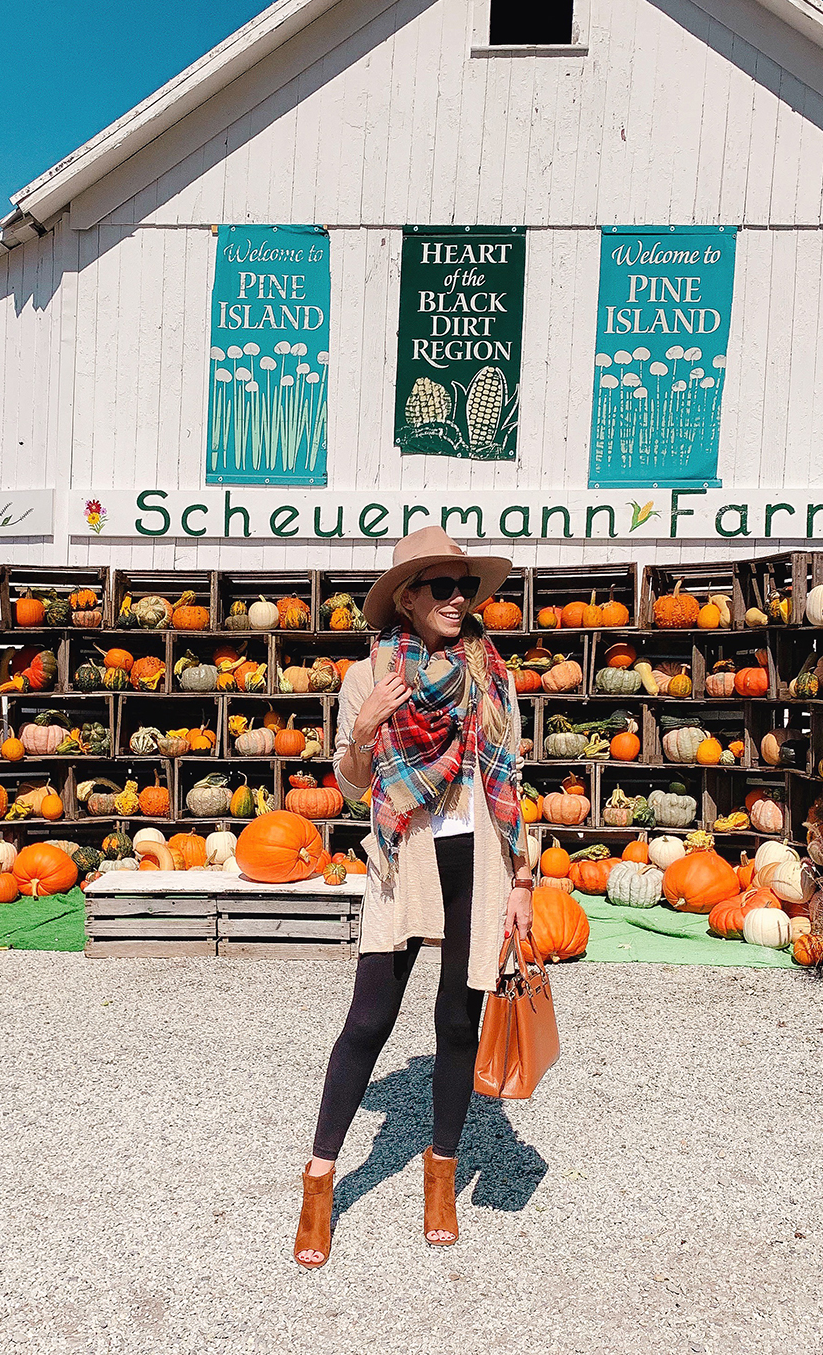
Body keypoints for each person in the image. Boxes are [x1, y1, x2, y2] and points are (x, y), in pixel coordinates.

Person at [293, 527, 534, 1268]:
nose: (458, 597)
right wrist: (364, 731)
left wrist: (524, 878)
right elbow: (353, 785)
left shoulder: (491, 671)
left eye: (465, 585)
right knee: (368, 1019)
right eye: (441, 585)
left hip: (481, 858)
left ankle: (440, 1178)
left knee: (458, 1022)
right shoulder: (367, 676)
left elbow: (511, 777)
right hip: (407, 854)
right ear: (407, 597)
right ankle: (319, 1183)